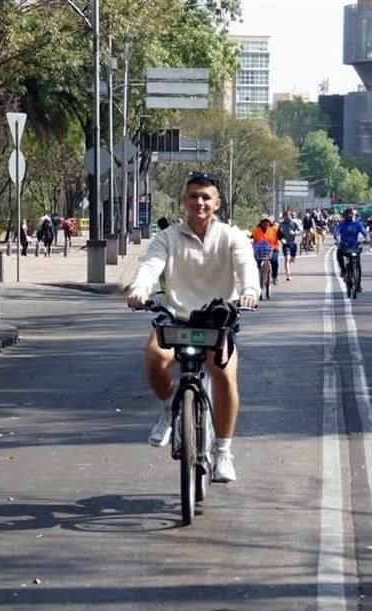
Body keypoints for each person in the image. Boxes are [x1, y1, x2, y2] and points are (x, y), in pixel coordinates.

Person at [126, 171, 260, 483]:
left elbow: (246, 266)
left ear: (217, 203)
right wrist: (140, 289)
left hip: (216, 319)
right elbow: (150, 265)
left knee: (224, 375)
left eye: (205, 197)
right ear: (185, 201)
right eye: (193, 196)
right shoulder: (168, 237)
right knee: (154, 358)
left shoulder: (232, 236)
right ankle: (167, 410)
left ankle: (223, 452)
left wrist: (250, 291)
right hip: (176, 317)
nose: (199, 202)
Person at [333, 208, 369, 291]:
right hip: (345, 246)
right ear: (345, 215)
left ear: (353, 215)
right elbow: (337, 232)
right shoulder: (341, 224)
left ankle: (358, 285)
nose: (349, 216)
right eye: (348, 214)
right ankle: (343, 270)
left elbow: (364, 232)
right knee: (339, 253)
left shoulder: (357, 224)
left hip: (355, 247)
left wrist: (367, 238)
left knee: (358, 265)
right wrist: (338, 240)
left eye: (351, 214)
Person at [251, 216, 281, 284]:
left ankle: (274, 277)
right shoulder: (256, 230)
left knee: (274, 261)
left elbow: (281, 237)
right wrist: (250, 240)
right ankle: (255, 277)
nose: (265, 223)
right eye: (264, 222)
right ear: (261, 223)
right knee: (255, 263)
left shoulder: (274, 229)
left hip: (273, 250)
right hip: (260, 251)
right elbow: (251, 237)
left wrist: (283, 241)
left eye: (267, 222)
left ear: (269, 223)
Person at [278, 211, 302, 280]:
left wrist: (295, 232)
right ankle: (288, 275)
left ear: (290, 216)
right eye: (285, 216)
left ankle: (291, 260)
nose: (287, 217)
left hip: (293, 243)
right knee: (287, 259)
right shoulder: (282, 224)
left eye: (288, 216)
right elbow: (278, 233)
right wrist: (281, 239)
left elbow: (300, 229)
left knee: (292, 259)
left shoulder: (294, 222)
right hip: (285, 244)